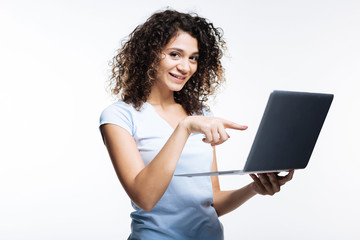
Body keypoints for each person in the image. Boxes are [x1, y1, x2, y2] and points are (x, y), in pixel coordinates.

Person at [99, 9, 294, 240]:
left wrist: (255, 188)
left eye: (193, 58)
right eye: (175, 54)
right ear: (150, 54)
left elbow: (212, 201)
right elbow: (145, 198)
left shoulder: (200, 114)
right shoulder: (120, 116)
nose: (185, 67)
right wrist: (184, 128)